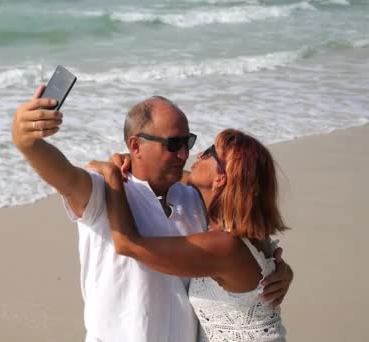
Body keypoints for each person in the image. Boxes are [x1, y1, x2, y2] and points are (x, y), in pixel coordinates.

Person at [11, 87, 293, 342]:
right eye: (173, 145)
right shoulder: (102, 193)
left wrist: (280, 270)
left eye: (188, 142)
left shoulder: (195, 199)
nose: (185, 154)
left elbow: (244, 232)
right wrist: (26, 141)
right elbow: (63, 175)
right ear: (135, 146)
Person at [88, 128, 288, 341]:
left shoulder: (226, 245)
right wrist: (140, 161)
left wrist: (111, 175)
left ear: (220, 178)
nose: (199, 154)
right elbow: (171, 177)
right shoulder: (250, 234)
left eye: (210, 152)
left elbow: (127, 244)